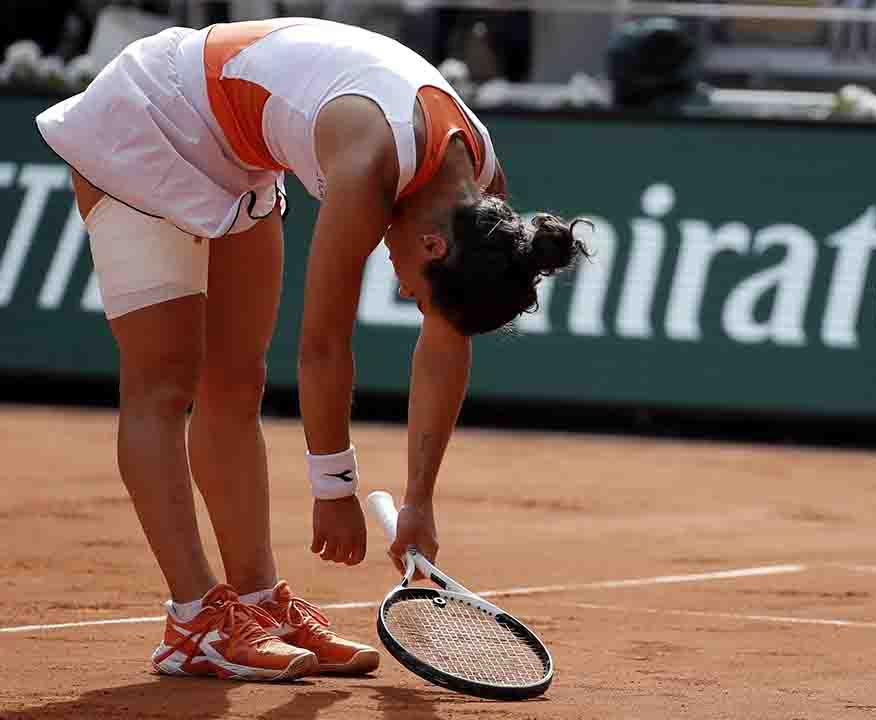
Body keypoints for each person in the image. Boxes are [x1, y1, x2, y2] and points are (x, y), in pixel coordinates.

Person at [35, 16, 586, 681]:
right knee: (163, 385)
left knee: (235, 382)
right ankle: (192, 621)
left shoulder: (479, 203)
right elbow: (324, 345)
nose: (410, 298)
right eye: (418, 295)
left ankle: (259, 601)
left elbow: (446, 343)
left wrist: (419, 501)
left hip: (235, 150)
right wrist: (334, 490)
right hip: (150, 112)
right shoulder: (371, 162)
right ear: (434, 247)